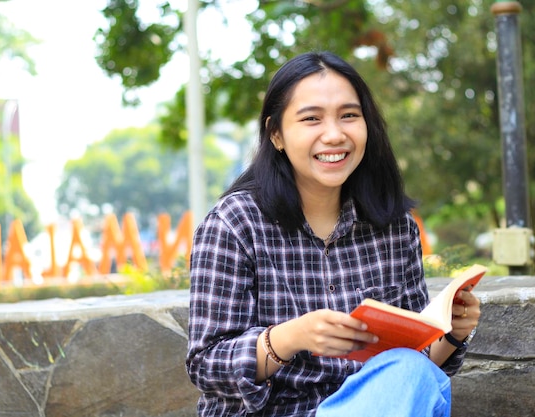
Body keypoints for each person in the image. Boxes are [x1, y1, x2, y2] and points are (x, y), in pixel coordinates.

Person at [186, 51, 480, 417]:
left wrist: (452, 333)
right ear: (276, 134)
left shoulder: (394, 228)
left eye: (349, 116)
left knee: (412, 372)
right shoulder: (234, 223)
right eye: (311, 119)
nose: (334, 135)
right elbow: (206, 366)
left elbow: (414, 373)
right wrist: (291, 337)